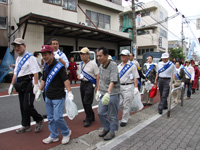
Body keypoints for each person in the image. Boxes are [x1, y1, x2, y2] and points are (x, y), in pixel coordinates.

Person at [35, 45, 74, 145]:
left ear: (52, 54)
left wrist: (69, 92)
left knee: (58, 118)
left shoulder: (59, 67)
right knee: (51, 118)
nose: (44, 56)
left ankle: (66, 132)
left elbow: (66, 80)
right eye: (43, 54)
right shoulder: (46, 67)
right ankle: (54, 135)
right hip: (48, 96)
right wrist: (39, 90)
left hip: (58, 96)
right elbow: (43, 80)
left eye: (46, 54)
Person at [8, 38, 43, 133]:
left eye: (18, 46)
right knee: (22, 106)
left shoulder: (30, 58)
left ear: (24, 46)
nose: (16, 48)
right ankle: (26, 125)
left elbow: (36, 73)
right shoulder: (18, 59)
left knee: (27, 105)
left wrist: (36, 86)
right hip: (20, 83)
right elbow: (15, 73)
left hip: (29, 83)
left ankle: (39, 119)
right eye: (15, 46)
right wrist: (11, 85)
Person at [96, 47, 120, 141]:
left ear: (106, 55)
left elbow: (113, 80)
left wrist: (108, 93)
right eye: (97, 56)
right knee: (100, 112)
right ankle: (107, 127)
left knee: (112, 113)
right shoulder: (101, 66)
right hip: (103, 92)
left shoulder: (113, 65)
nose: (98, 58)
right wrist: (98, 90)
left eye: (100, 56)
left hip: (113, 92)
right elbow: (100, 79)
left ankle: (112, 131)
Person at [77, 47, 99, 127]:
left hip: (90, 84)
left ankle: (88, 118)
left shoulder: (93, 64)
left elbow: (97, 76)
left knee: (87, 101)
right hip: (82, 83)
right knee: (83, 101)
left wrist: (98, 87)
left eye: (84, 54)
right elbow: (79, 73)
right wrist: (79, 76)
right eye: (81, 54)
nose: (82, 56)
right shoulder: (81, 64)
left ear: (88, 55)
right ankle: (91, 115)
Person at [117, 49, 139, 127]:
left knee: (126, 104)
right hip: (120, 86)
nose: (122, 57)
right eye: (121, 55)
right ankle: (127, 113)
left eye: (124, 55)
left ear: (128, 56)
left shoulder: (132, 66)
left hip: (129, 86)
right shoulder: (119, 66)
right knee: (120, 103)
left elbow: (135, 77)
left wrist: (136, 87)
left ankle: (124, 119)